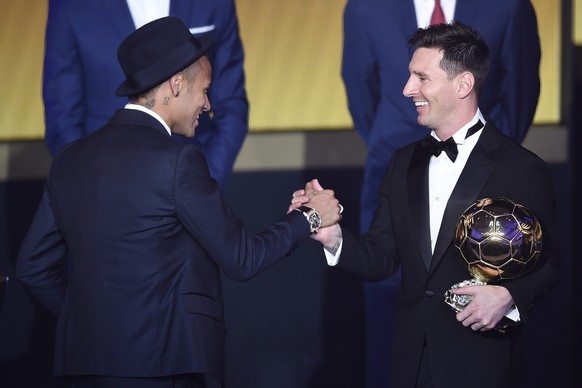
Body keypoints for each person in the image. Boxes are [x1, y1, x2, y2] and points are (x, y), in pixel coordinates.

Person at [16, 17, 342, 388]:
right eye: (205, 90)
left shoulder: (69, 160)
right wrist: (310, 217)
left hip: (83, 366)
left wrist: (89, 325)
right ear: (176, 84)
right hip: (160, 367)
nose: (208, 104)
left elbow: (32, 268)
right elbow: (242, 258)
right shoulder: (177, 160)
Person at [294, 22, 557, 387]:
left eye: (421, 78)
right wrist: (333, 237)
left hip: (482, 366)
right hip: (410, 365)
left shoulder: (521, 168)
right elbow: (381, 257)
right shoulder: (403, 163)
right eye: (409, 77)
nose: (407, 89)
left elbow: (549, 265)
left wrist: (508, 294)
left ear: (463, 84)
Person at [43, 0, 248, 188]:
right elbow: (62, 115)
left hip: (193, 180)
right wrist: (95, 195)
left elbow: (231, 105)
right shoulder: (69, 5)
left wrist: (205, 185)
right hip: (104, 187)